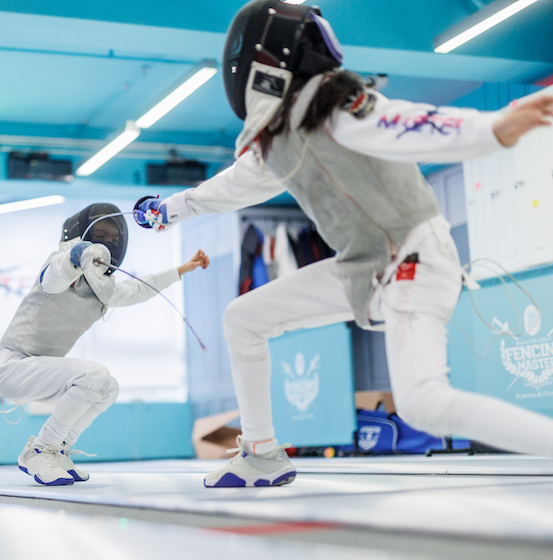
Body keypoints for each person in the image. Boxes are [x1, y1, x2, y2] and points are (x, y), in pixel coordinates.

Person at [134, 0, 553, 488]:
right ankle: (262, 452)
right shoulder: (282, 133)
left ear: (265, 61)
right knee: (243, 318)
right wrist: (170, 210)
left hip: (413, 257)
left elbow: (401, 124)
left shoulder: (331, 102)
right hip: (363, 269)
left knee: (425, 405)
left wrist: (491, 128)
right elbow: (233, 186)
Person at [0, 202, 209, 486]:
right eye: (101, 233)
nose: (108, 240)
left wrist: (181, 269)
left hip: (38, 371)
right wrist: (75, 257)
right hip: (13, 367)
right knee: (95, 376)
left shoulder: (103, 288)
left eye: (112, 235)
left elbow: (140, 289)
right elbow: (55, 277)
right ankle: (42, 448)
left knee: (107, 388)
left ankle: (59, 449)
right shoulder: (60, 263)